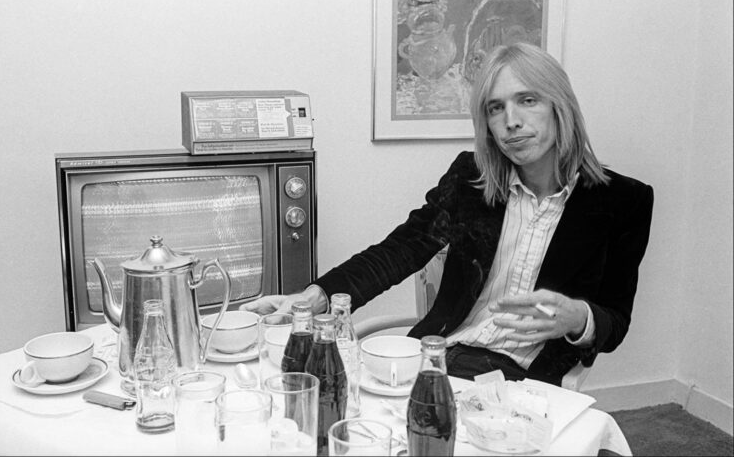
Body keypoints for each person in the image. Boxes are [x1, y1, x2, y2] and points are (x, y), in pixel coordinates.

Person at [241, 42, 654, 386]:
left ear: (559, 106)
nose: (511, 122)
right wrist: (317, 297)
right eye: (495, 108)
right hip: (439, 355)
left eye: (528, 101)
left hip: (525, 377)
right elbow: (400, 249)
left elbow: (614, 322)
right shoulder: (470, 179)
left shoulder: (623, 202)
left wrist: (577, 316)